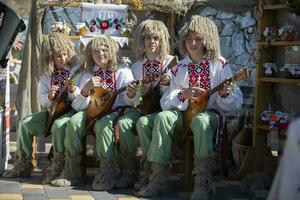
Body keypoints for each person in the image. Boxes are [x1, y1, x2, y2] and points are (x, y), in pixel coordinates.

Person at [136, 15, 243, 199]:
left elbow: (236, 102)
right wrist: (181, 95)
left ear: (207, 40)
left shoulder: (219, 64)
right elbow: (165, 102)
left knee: (201, 121)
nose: (193, 43)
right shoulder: (179, 68)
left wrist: (225, 94)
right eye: (189, 38)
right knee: (162, 117)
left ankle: (203, 183)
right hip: (184, 115)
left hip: (210, 114)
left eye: (198, 39)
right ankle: (157, 179)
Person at [50, 35, 134, 188]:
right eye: (96, 51)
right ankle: (71, 172)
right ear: (90, 55)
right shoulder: (86, 73)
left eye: (104, 49)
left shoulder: (123, 71)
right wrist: (85, 90)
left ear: (112, 51)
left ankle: (108, 172)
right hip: (90, 110)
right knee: (74, 122)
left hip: (116, 110)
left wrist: (130, 94)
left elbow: (129, 102)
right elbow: (78, 106)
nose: (101, 54)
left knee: (103, 125)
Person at [2, 32, 81, 179]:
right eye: (58, 56)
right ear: (50, 57)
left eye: (65, 54)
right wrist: (50, 97)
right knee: (25, 124)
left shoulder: (77, 69)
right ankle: (23, 165)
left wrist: (71, 90)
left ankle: (58, 166)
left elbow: (82, 98)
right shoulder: (47, 74)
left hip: (72, 113)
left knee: (59, 125)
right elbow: (42, 100)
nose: (63, 59)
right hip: (52, 113)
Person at [124, 19, 174, 192]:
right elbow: (132, 101)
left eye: (156, 38)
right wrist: (136, 93)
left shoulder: (172, 63)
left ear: (162, 41)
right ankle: (135, 170)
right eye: (147, 38)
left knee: (143, 123)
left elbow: (176, 94)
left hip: (163, 110)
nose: (152, 42)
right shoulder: (137, 67)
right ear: (142, 41)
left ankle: (152, 171)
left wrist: (167, 85)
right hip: (142, 109)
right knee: (125, 123)